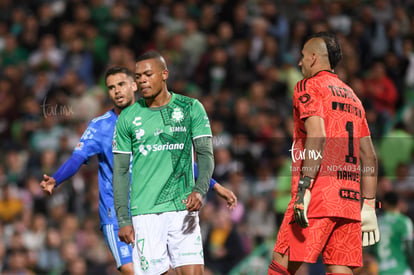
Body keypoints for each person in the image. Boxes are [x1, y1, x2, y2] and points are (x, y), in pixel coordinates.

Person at [40, 66, 236, 275]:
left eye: (121, 84)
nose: (117, 91)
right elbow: (77, 158)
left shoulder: (153, 120)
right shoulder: (100, 126)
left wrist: (214, 186)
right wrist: (56, 179)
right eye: (111, 87)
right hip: (116, 214)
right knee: (132, 271)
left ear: (134, 85)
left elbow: (177, 161)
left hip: (152, 211)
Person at [267, 32, 380, 275]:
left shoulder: (308, 86)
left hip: (317, 194)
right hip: (349, 201)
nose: (299, 63)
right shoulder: (354, 97)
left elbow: (317, 136)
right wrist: (368, 205)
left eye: (303, 57)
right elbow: (369, 156)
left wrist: (304, 188)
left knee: (281, 264)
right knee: (340, 268)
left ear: (314, 58)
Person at [112, 51, 214, 275]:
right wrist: (123, 219)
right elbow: (119, 171)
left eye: (148, 74)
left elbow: (205, 154)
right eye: (138, 76)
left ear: (164, 74)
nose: (142, 80)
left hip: (183, 208)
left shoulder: (191, 108)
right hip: (145, 212)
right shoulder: (127, 118)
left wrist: (200, 190)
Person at [373, 191, 414, 275]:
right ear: (399, 203)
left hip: (382, 270)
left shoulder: (377, 222)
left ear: (384, 204)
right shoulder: (403, 222)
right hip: (401, 269)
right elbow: (410, 248)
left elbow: (371, 249)